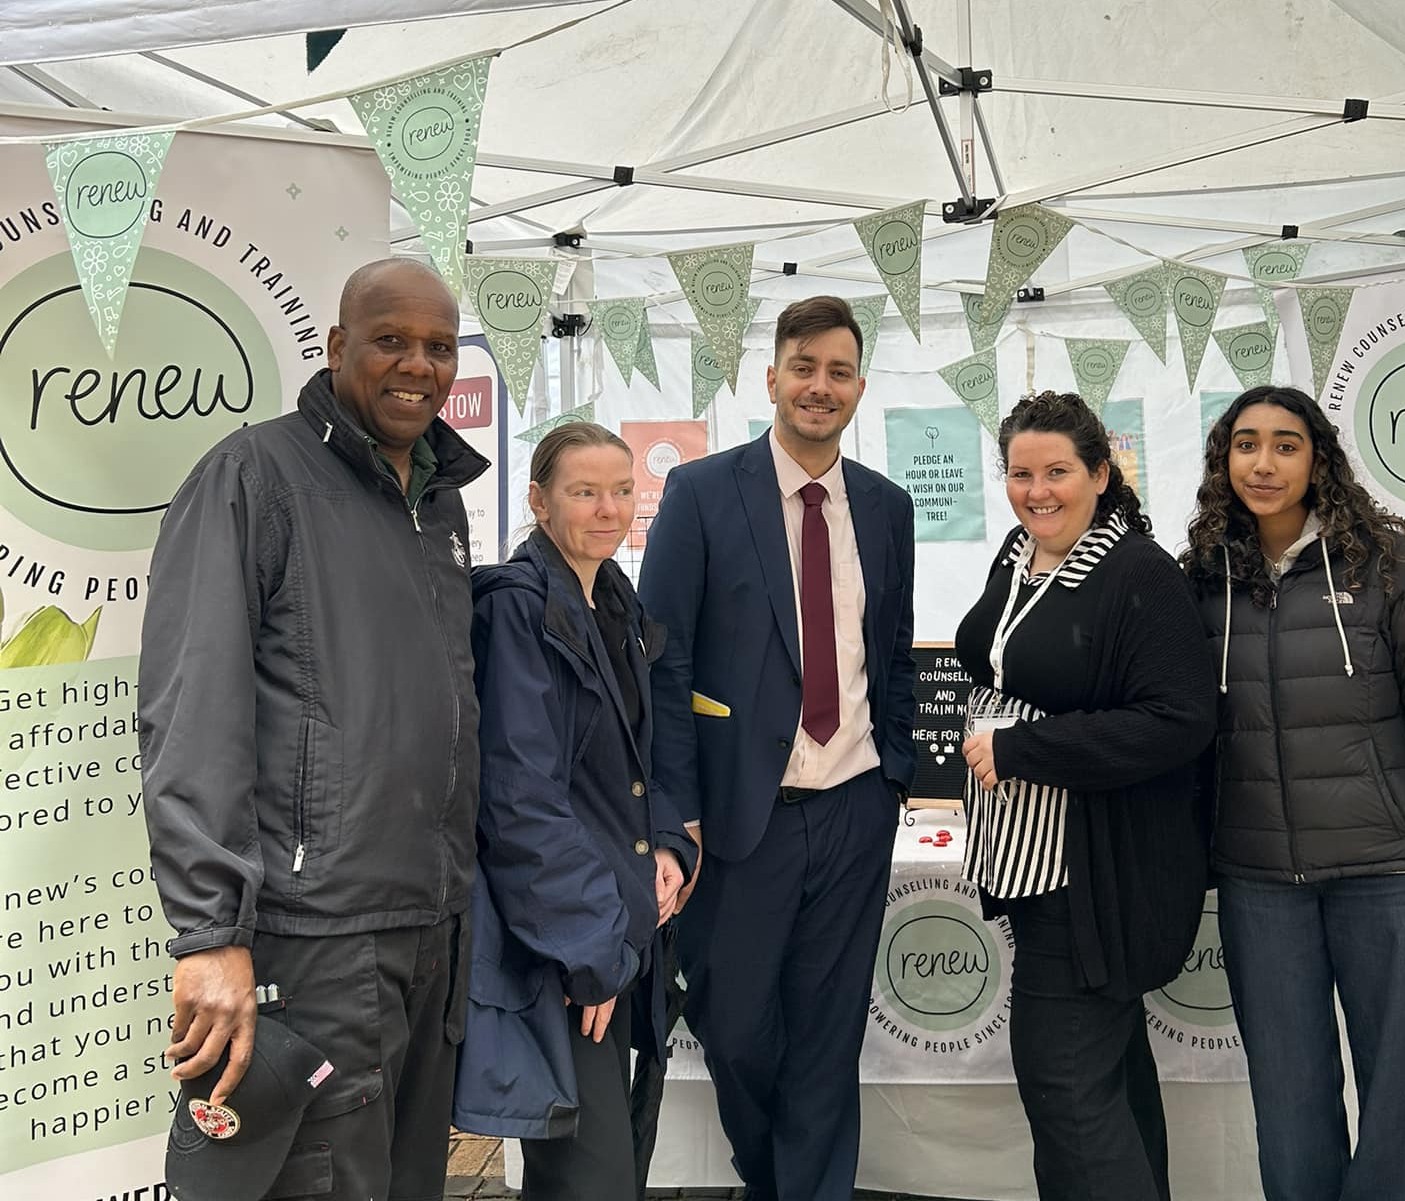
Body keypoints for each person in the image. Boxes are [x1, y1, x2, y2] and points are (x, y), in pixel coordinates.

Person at [139, 257, 488, 1201]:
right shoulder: (256, 477)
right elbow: (190, 706)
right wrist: (210, 932)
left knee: (409, 1181)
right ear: (336, 348)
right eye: (390, 341)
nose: (418, 365)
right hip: (317, 937)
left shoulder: (441, 502)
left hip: (429, 924)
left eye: (439, 347)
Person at [1182, 384, 1405, 1201]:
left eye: (1286, 444)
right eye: (1246, 443)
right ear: (1224, 459)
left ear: (1318, 458)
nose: (1264, 461)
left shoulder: (1386, 566)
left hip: (1388, 873)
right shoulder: (1203, 580)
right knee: (1288, 1099)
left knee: (1403, 1093)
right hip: (1261, 882)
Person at [639, 295, 916, 1201]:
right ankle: (774, 1178)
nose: (819, 387)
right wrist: (677, 810)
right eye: (804, 367)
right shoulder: (701, 493)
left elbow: (895, 647)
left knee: (830, 1034)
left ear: (859, 387)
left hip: (854, 807)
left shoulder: (884, 506)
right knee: (740, 1029)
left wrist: (896, 775)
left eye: (839, 372)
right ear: (771, 378)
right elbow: (662, 663)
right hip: (739, 819)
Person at [955, 391, 1216, 1201]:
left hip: (1094, 874)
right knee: (1107, 1073)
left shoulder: (1139, 574)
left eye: (1058, 471)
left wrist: (1021, 746)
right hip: (1033, 865)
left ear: (1101, 473)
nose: (1038, 490)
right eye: (1020, 473)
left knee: (1063, 1084)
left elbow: (1178, 722)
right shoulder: (1020, 552)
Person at [451, 422, 697, 1200]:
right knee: (587, 1178)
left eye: (621, 490)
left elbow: (634, 758)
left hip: (619, 928)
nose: (608, 508)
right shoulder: (518, 611)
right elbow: (518, 800)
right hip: (565, 945)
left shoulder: (612, 599)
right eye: (584, 491)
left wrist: (667, 844)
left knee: (614, 1161)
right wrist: (586, 951)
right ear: (538, 500)